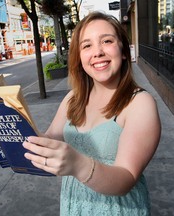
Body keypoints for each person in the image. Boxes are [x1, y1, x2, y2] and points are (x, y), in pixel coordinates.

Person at [23, 11, 161, 215]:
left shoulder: (140, 103)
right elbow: (49, 137)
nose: (97, 52)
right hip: (74, 204)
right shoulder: (73, 98)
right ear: (79, 57)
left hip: (118, 209)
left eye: (107, 41)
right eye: (87, 45)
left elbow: (126, 179)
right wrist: (14, 129)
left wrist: (77, 164)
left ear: (123, 51)